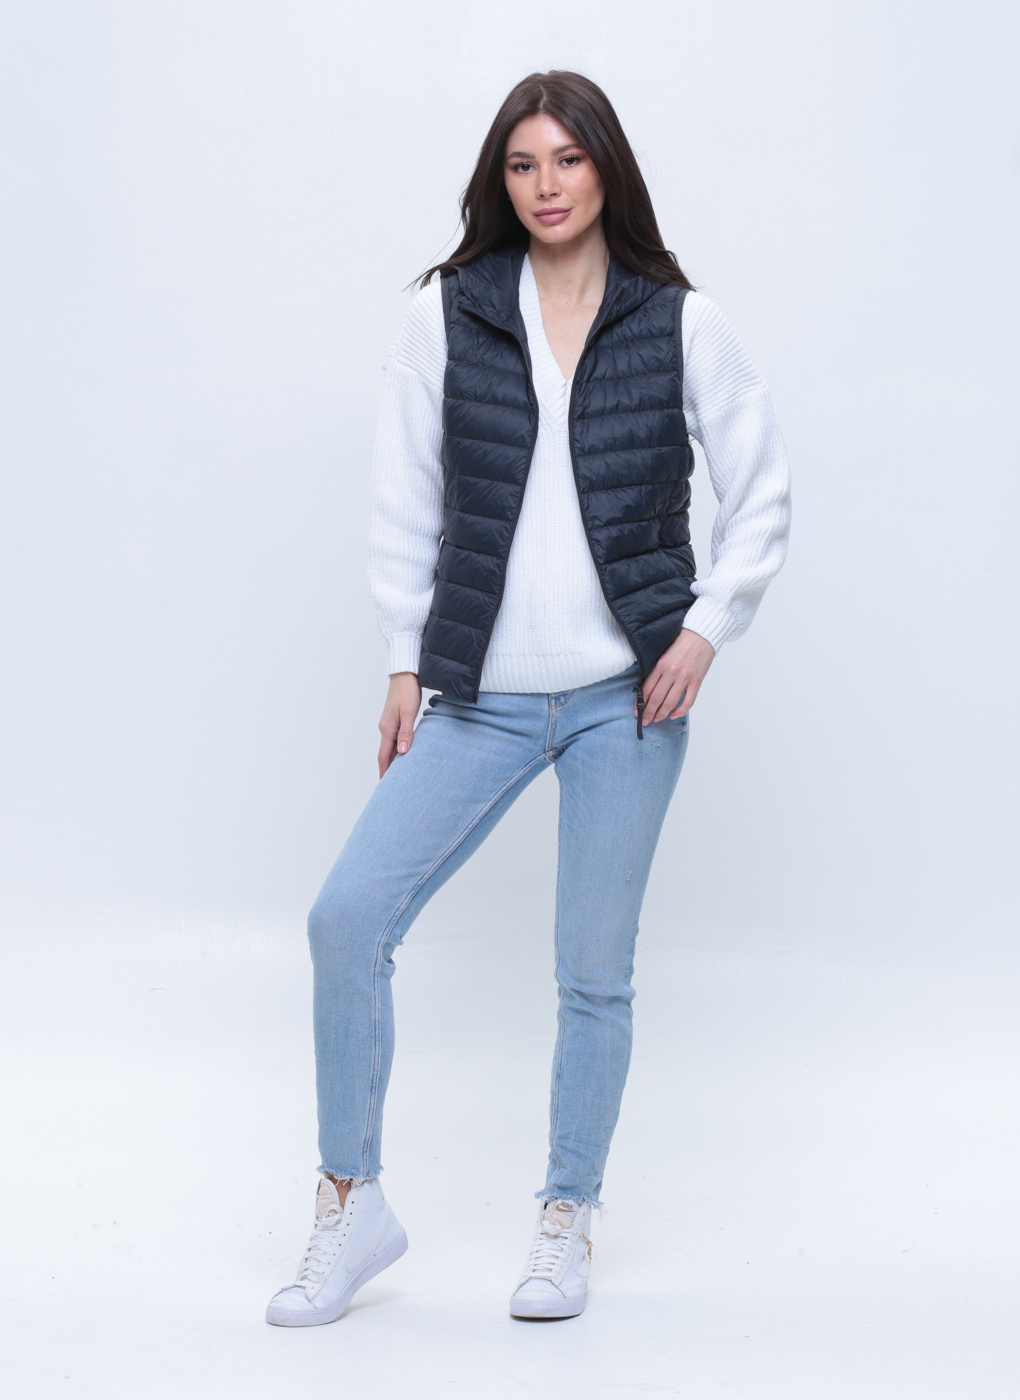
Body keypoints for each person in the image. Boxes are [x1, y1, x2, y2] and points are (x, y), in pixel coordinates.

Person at [266, 69, 790, 1327]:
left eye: (567, 159)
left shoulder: (681, 320)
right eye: (522, 164)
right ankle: (351, 1199)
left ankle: (567, 1213)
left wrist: (706, 629)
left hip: (625, 699)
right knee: (347, 918)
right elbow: (407, 494)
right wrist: (406, 657)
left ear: (606, 166)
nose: (546, 186)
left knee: (592, 969)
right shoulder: (448, 314)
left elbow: (762, 486)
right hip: (481, 693)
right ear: (499, 181)